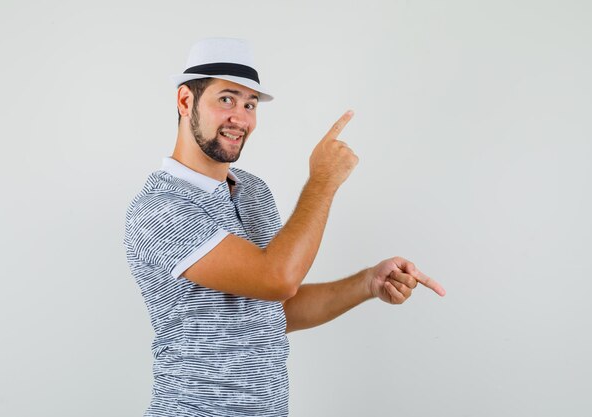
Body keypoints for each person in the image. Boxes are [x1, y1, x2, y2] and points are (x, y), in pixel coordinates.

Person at [124, 37, 446, 417]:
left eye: (250, 104)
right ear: (185, 102)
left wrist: (367, 284)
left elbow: (275, 306)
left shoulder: (253, 191)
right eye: (226, 99)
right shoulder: (160, 209)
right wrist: (323, 180)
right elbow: (276, 278)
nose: (240, 118)